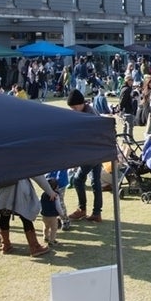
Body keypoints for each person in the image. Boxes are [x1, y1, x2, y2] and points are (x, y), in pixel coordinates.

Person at [0, 175, 57, 256]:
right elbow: (37, 175)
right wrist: (50, 191)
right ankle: (34, 247)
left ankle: (6, 245)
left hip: (0, 191)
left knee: (4, 216)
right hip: (18, 191)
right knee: (26, 217)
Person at [66, 88, 104, 222]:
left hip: (92, 153)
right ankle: (96, 213)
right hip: (97, 151)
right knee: (95, 182)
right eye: (71, 108)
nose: (73, 110)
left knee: (78, 180)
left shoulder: (88, 115)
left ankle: (82, 209)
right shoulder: (88, 111)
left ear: (81, 103)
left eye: (74, 107)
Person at [40, 178, 61, 246]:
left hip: (44, 215)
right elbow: (58, 206)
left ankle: (45, 237)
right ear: (56, 187)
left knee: (46, 226)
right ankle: (52, 241)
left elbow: (40, 203)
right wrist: (61, 214)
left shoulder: (43, 194)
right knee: (54, 228)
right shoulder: (56, 195)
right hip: (52, 216)